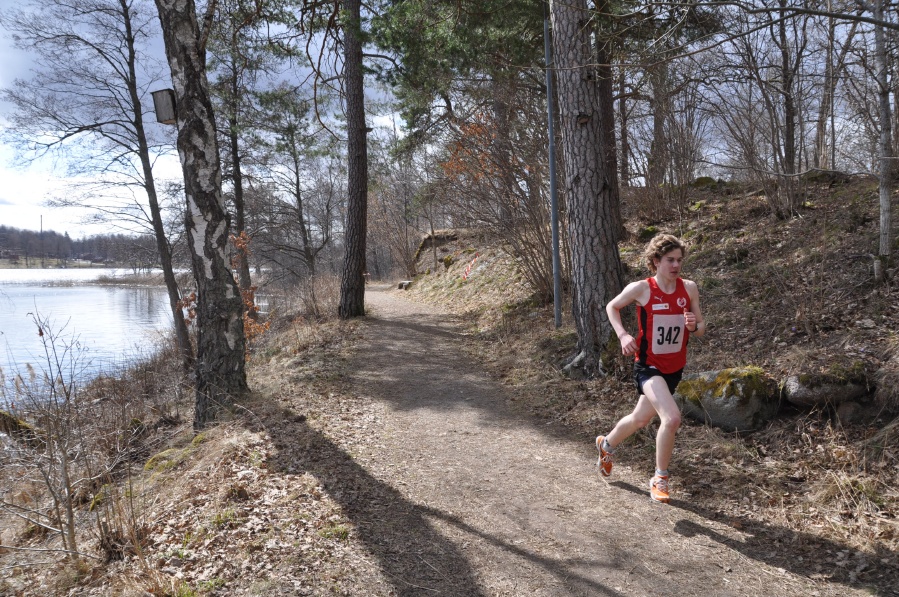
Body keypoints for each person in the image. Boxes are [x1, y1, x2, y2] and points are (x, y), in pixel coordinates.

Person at [596, 234, 705, 503]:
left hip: (674, 368)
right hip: (648, 366)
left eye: (679, 260)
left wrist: (693, 325)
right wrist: (622, 335)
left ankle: (606, 445)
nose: (676, 265)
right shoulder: (642, 288)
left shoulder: (689, 288)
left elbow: (701, 328)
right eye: (670, 260)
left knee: (640, 418)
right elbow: (612, 306)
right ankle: (660, 478)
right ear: (656, 261)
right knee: (672, 418)